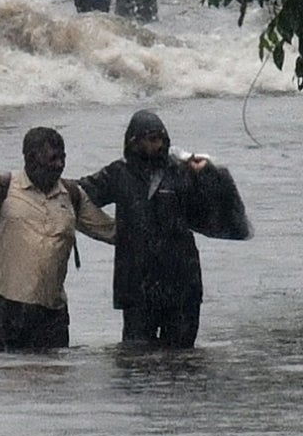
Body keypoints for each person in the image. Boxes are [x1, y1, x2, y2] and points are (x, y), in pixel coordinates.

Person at [78, 110, 251, 349]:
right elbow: (81, 195)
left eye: (159, 138)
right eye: (149, 139)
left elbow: (220, 211)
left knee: (182, 357)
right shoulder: (119, 174)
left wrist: (210, 173)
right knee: (135, 358)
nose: (155, 144)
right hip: (137, 285)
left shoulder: (182, 171)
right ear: (133, 142)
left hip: (182, 282)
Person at [0, 127, 115, 352]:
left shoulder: (72, 195)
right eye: (53, 158)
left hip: (53, 316)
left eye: (63, 158)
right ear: (31, 158)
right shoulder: (1, 187)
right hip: (4, 311)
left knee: (54, 382)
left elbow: (111, 231)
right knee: (4, 380)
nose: (59, 165)